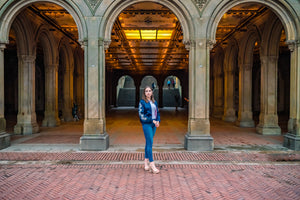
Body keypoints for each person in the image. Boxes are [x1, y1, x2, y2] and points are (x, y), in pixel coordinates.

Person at [139, 86, 160, 174]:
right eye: (146, 91)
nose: (148, 92)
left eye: (149, 91)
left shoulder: (154, 102)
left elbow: (157, 113)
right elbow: (141, 115)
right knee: (150, 144)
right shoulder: (142, 102)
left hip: (154, 125)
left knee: (148, 143)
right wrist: (152, 120)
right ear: (144, 93)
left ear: (152, 92)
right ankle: (152, 164)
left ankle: (145, 163)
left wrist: (158, 120)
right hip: (147, 124)